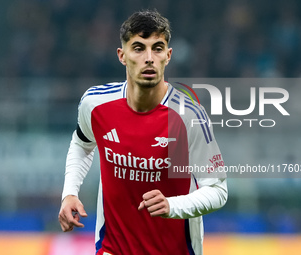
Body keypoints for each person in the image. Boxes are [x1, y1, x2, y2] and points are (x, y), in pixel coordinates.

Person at [58, 10, 228, 255]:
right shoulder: (95, 105)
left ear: (168, 56)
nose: (149, 57)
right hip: (112, 248)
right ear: (122, 55)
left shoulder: (188, 115)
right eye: (138, 48)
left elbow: (217, 191)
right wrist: (70, 193)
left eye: (157, 48)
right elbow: (82, 144)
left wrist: (172, 205)